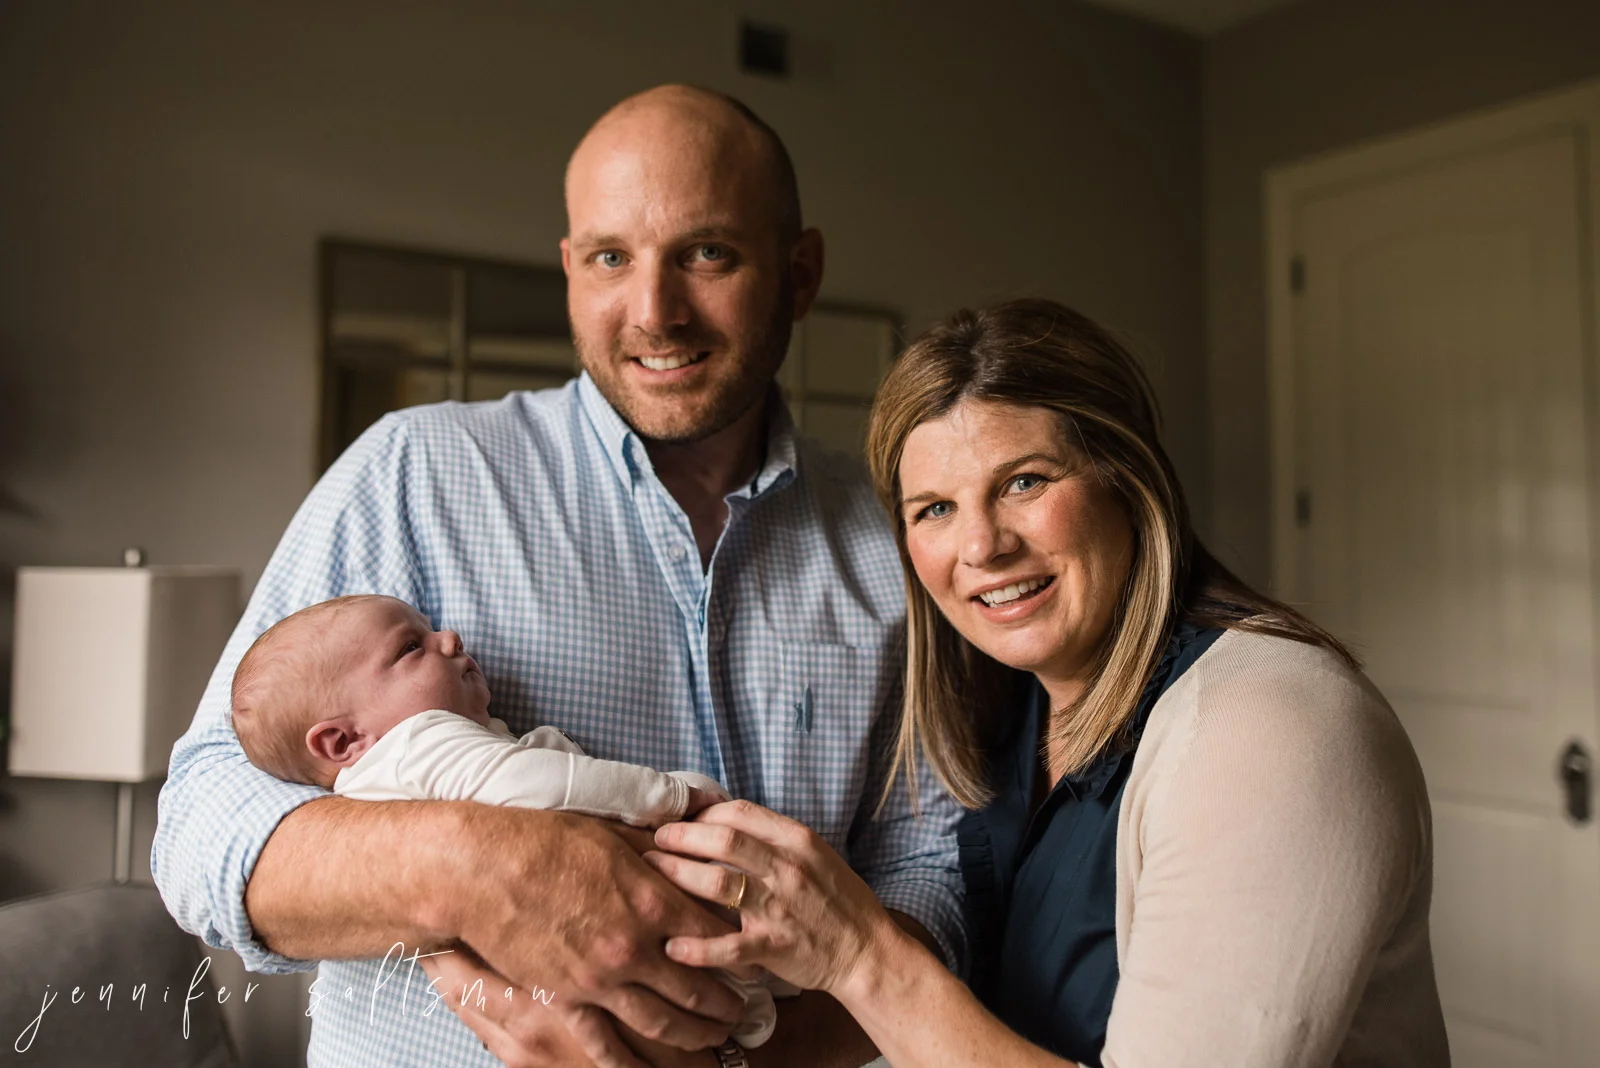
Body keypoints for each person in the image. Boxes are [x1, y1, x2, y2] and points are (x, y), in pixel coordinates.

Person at [153, 85, 965, 1068]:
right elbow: (202, 832)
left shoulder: (895, 540)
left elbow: (932, 870)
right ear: (571, 267)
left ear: (799, 274)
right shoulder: (414, 472)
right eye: (611, 258)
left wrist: (765, 1052)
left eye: (707, 253)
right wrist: (467, 865)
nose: (655, 312)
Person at [646, 298, 1451, 1067]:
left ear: (1128, 478)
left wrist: (859, 954)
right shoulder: (1003, 720)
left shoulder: (1272, 727)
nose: (983, 546)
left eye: (1024, 482)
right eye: (933, 509)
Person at [230, 593, 782, 1049]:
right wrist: (672, 794)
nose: (449, 639)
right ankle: (752, 1001)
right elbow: (544, 784)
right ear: (345, 740)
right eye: (409, 648)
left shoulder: (371, 791)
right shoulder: (417, 744)